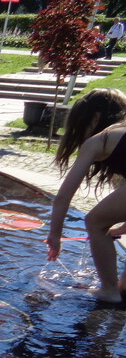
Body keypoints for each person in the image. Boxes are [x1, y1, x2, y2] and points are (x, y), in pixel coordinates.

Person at [46, 88, 126, 303]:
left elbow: (64, 196)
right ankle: (119, 290)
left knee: (95, 221)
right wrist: (121, 228)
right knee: (125, 289)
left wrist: (55, 235)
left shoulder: (99, 140)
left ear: (95, 117)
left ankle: (108, 290)